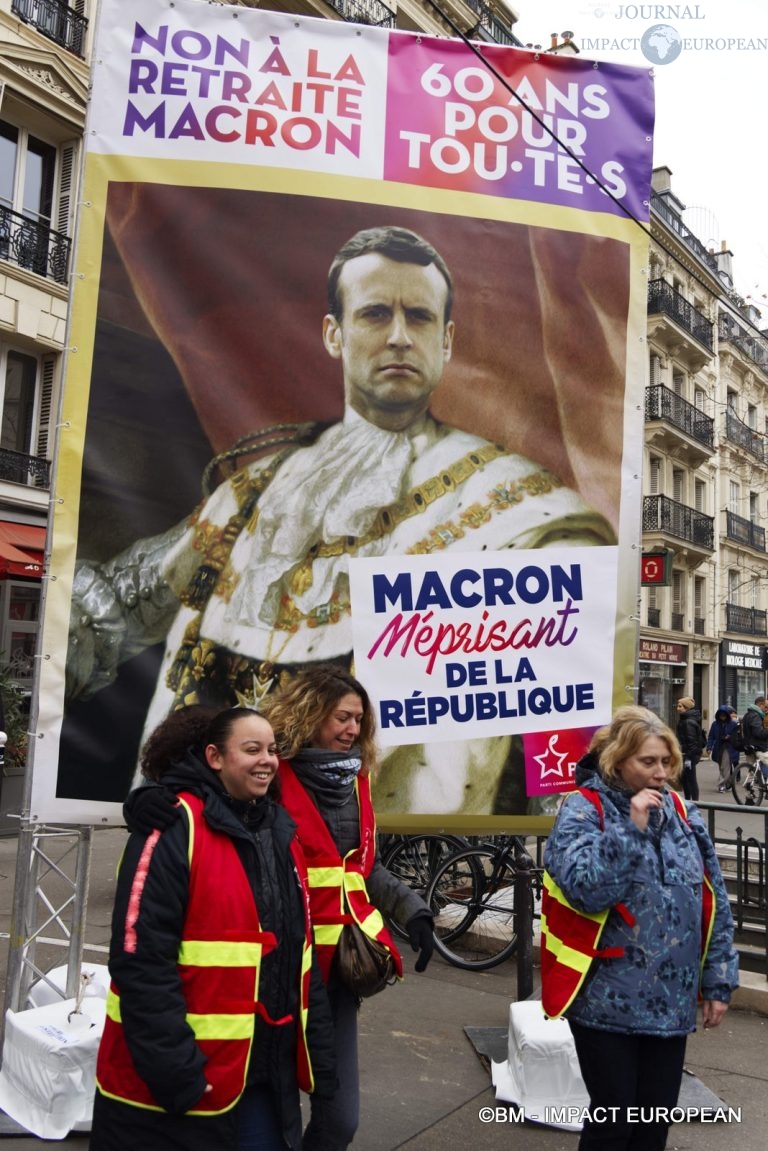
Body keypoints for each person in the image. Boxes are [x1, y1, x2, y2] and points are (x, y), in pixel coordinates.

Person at [66, 225, 615, 816]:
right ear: (335, 333)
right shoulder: (257, 489)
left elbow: (554, 719)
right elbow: (115, 607)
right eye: (376, 313)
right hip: (203, 832)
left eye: (421, 318)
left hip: (380, 848)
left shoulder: (522, 511)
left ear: (448, 340)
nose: (400, 337)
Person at [128, 664, 434, 1151]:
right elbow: (202, 788)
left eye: (360, 720)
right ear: (311, 714)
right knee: (262, 1117)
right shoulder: (271, 769)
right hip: (273, 970)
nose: (353, 730)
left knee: (339, 1120)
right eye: (342, 717)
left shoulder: (357, 783)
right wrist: (146, 799)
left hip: (334, 972)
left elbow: (361, 867)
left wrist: (413, 910)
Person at [91, 706, 336, 1151]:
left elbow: (302, 964)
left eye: (272, 750)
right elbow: (141, 963)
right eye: (251, 749)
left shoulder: (280, 834)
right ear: (214, 756)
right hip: (182, 1091)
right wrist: (178, 1077)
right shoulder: (172, 826)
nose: (267, 759)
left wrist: (324, 1077)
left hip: (263, 1079)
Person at [541, 705, 738, 1151]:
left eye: (666, 761)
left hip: (671, 1004)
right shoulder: (582, 809)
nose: (661, 772)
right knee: (614, 1126)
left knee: (652, 1127)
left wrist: (719, 981)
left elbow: (713, 901)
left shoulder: (684, 813)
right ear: (617, 760)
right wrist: (631, 828)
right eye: (648, 762)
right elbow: (587, 890)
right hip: (605, 1001)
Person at [674, 695, 703, 801]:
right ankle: (688, 801)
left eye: (680, 706)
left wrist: (689, 758)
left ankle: (695, 802)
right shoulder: (685, 720)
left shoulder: (687, 722)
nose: (678, 708)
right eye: (678, 706)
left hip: (688, 755)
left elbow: (691, 741)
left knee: (690, 779)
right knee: (686, 779)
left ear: (686, 708)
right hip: (686, 754)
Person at [705, 704, 740, 792]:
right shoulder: (715, 724)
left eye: (724, 715)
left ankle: (722, 785)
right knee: (721, 767)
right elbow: (711, 736)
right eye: (721, 715)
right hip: (718, 748)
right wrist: (709, 747)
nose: (722, 717)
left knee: (725, 766)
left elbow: (737, 736)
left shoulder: (733, 724)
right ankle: (728, 783)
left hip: (729, 748)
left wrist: (729, 737)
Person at [741, 695, 768, 780]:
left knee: (753, 770)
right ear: (760, 705)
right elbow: (758, 733)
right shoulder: (756, 715)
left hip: (749, 745)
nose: (766, 709)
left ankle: (751, 787)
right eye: (766, 707)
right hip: (758, 746)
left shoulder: (747, 715)